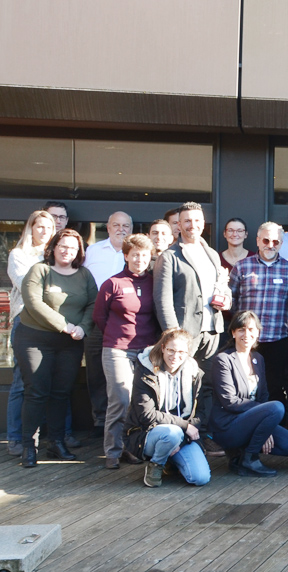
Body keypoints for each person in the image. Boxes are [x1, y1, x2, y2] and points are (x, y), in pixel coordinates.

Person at [153, 201, 231, 456]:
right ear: (179, 224)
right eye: (187, 221)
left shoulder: (210, 252)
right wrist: (173, 338)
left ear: (203, 223)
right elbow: (162, 300)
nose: (192, 225)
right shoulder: (169, 256)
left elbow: (217, 288)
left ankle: (203, 435)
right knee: (179, 387)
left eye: (197, 221)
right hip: (184, 335)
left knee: (206, 387)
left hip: (211, 331)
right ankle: (177, 440)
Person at [15, 229, 95, 468]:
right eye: (62, 246)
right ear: (53, 247)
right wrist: (65, 325)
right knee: (37, 391)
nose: (67, 251)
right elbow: (33, 302)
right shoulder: (40, 270)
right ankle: (29, 446)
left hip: (70, 343)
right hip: (35, 339)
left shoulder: (84, 275)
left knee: (61, 393)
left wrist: (83, 327)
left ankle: (56, 443)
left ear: (78, 252)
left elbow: (93, 303)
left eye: (72, 248)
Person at [210, 311, 288, 477]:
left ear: (258, 333)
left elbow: (264, 396)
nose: (247, 334)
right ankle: (250, 458)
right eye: (241, 330)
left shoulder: (258, 358)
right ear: (233, 332)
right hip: (228, 427)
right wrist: (263, 416)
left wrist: (265, 425)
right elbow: (230, 401)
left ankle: (239, 456)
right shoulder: (223, 360)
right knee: (276, 407)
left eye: (252, 330)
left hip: (253, 420)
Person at [94, 233, 158, 469]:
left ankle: (132, 448)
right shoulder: (113, 283)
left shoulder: (154, 282)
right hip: (117, 350)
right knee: (120, 399)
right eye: (135, 255)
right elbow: (99, 317)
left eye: (144, 255)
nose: (140, 259)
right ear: (126, 256)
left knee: (140, 401)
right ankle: (112, 451)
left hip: (146, 350)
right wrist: (118, 335)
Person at [6, 210, 64, 457]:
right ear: (29, 228)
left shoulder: (57, 254)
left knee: (55, 384)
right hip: (26, 323)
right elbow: (27, 287)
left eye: (48, 227)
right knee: (23, 383)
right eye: (39, 226)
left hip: (55, 323)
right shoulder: (18, 255)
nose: (44, 231)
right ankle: (16, 439)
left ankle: (55, 438)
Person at [128, 328, 210, 487]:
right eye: (171, 350)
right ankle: (156, 465)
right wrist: (184, 426)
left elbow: (202, 411)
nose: (175, 356)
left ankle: (170, 461)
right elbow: (147, 415)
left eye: (181, 352)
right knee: (172, 433)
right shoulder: (146, 371)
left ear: (188, 353)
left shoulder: (195, 373)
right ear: (163, 347)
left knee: (200, 478)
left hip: (182, 436)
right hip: (151, 433)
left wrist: (184, 439)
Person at [231, 222, 288, 410]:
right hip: (247, 341)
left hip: (277, 340)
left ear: (281, 244)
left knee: (274, 386)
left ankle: (274, 428)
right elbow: (231, 299)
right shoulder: (242, 267)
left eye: (276, 241)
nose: (271, 245)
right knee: (245, 386)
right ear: (258, 241)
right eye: (266, 240)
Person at [83, 211, 133, 441]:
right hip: (96, 319)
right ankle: (99, 420)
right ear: (108, 226)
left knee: (125, 376)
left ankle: (127, 424)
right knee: (95, 371)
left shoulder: (134, 251)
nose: (121, 229)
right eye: (116, 225)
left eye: (126, 225)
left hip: (127, 323)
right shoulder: (92, 251)